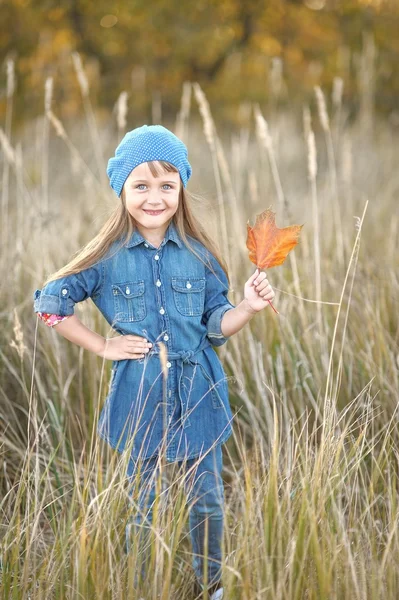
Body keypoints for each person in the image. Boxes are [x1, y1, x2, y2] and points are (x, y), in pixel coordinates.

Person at [33, 124, 275, 599]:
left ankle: (211, 586)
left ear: (181, 188)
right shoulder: (105, 258)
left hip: (198, 391)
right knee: (142, 503)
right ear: (122, 189)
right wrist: (103, 346)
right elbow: (49, 303)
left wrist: (245, 307)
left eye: (167, 185)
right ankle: (141, 585)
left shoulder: (201, 256)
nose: (154, 197)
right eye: (141, 185)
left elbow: (214, 325)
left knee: (206, 499)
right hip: (139, 393)